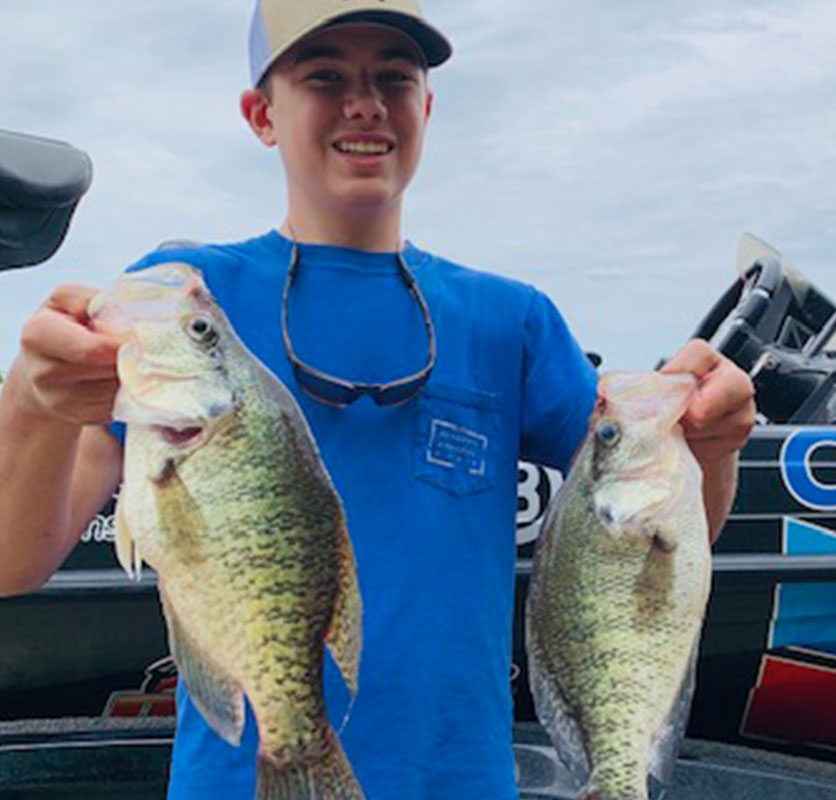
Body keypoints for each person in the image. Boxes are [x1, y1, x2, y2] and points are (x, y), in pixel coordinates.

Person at [0, 0, 755, 797]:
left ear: (425, 109)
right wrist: (34, 402)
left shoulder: (511, 320)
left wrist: (709, 445)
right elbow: (13, 560)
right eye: (324, 75)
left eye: (393, 77)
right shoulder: (187, 296)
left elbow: (654, 539)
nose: (364, 101)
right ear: (261, 115)